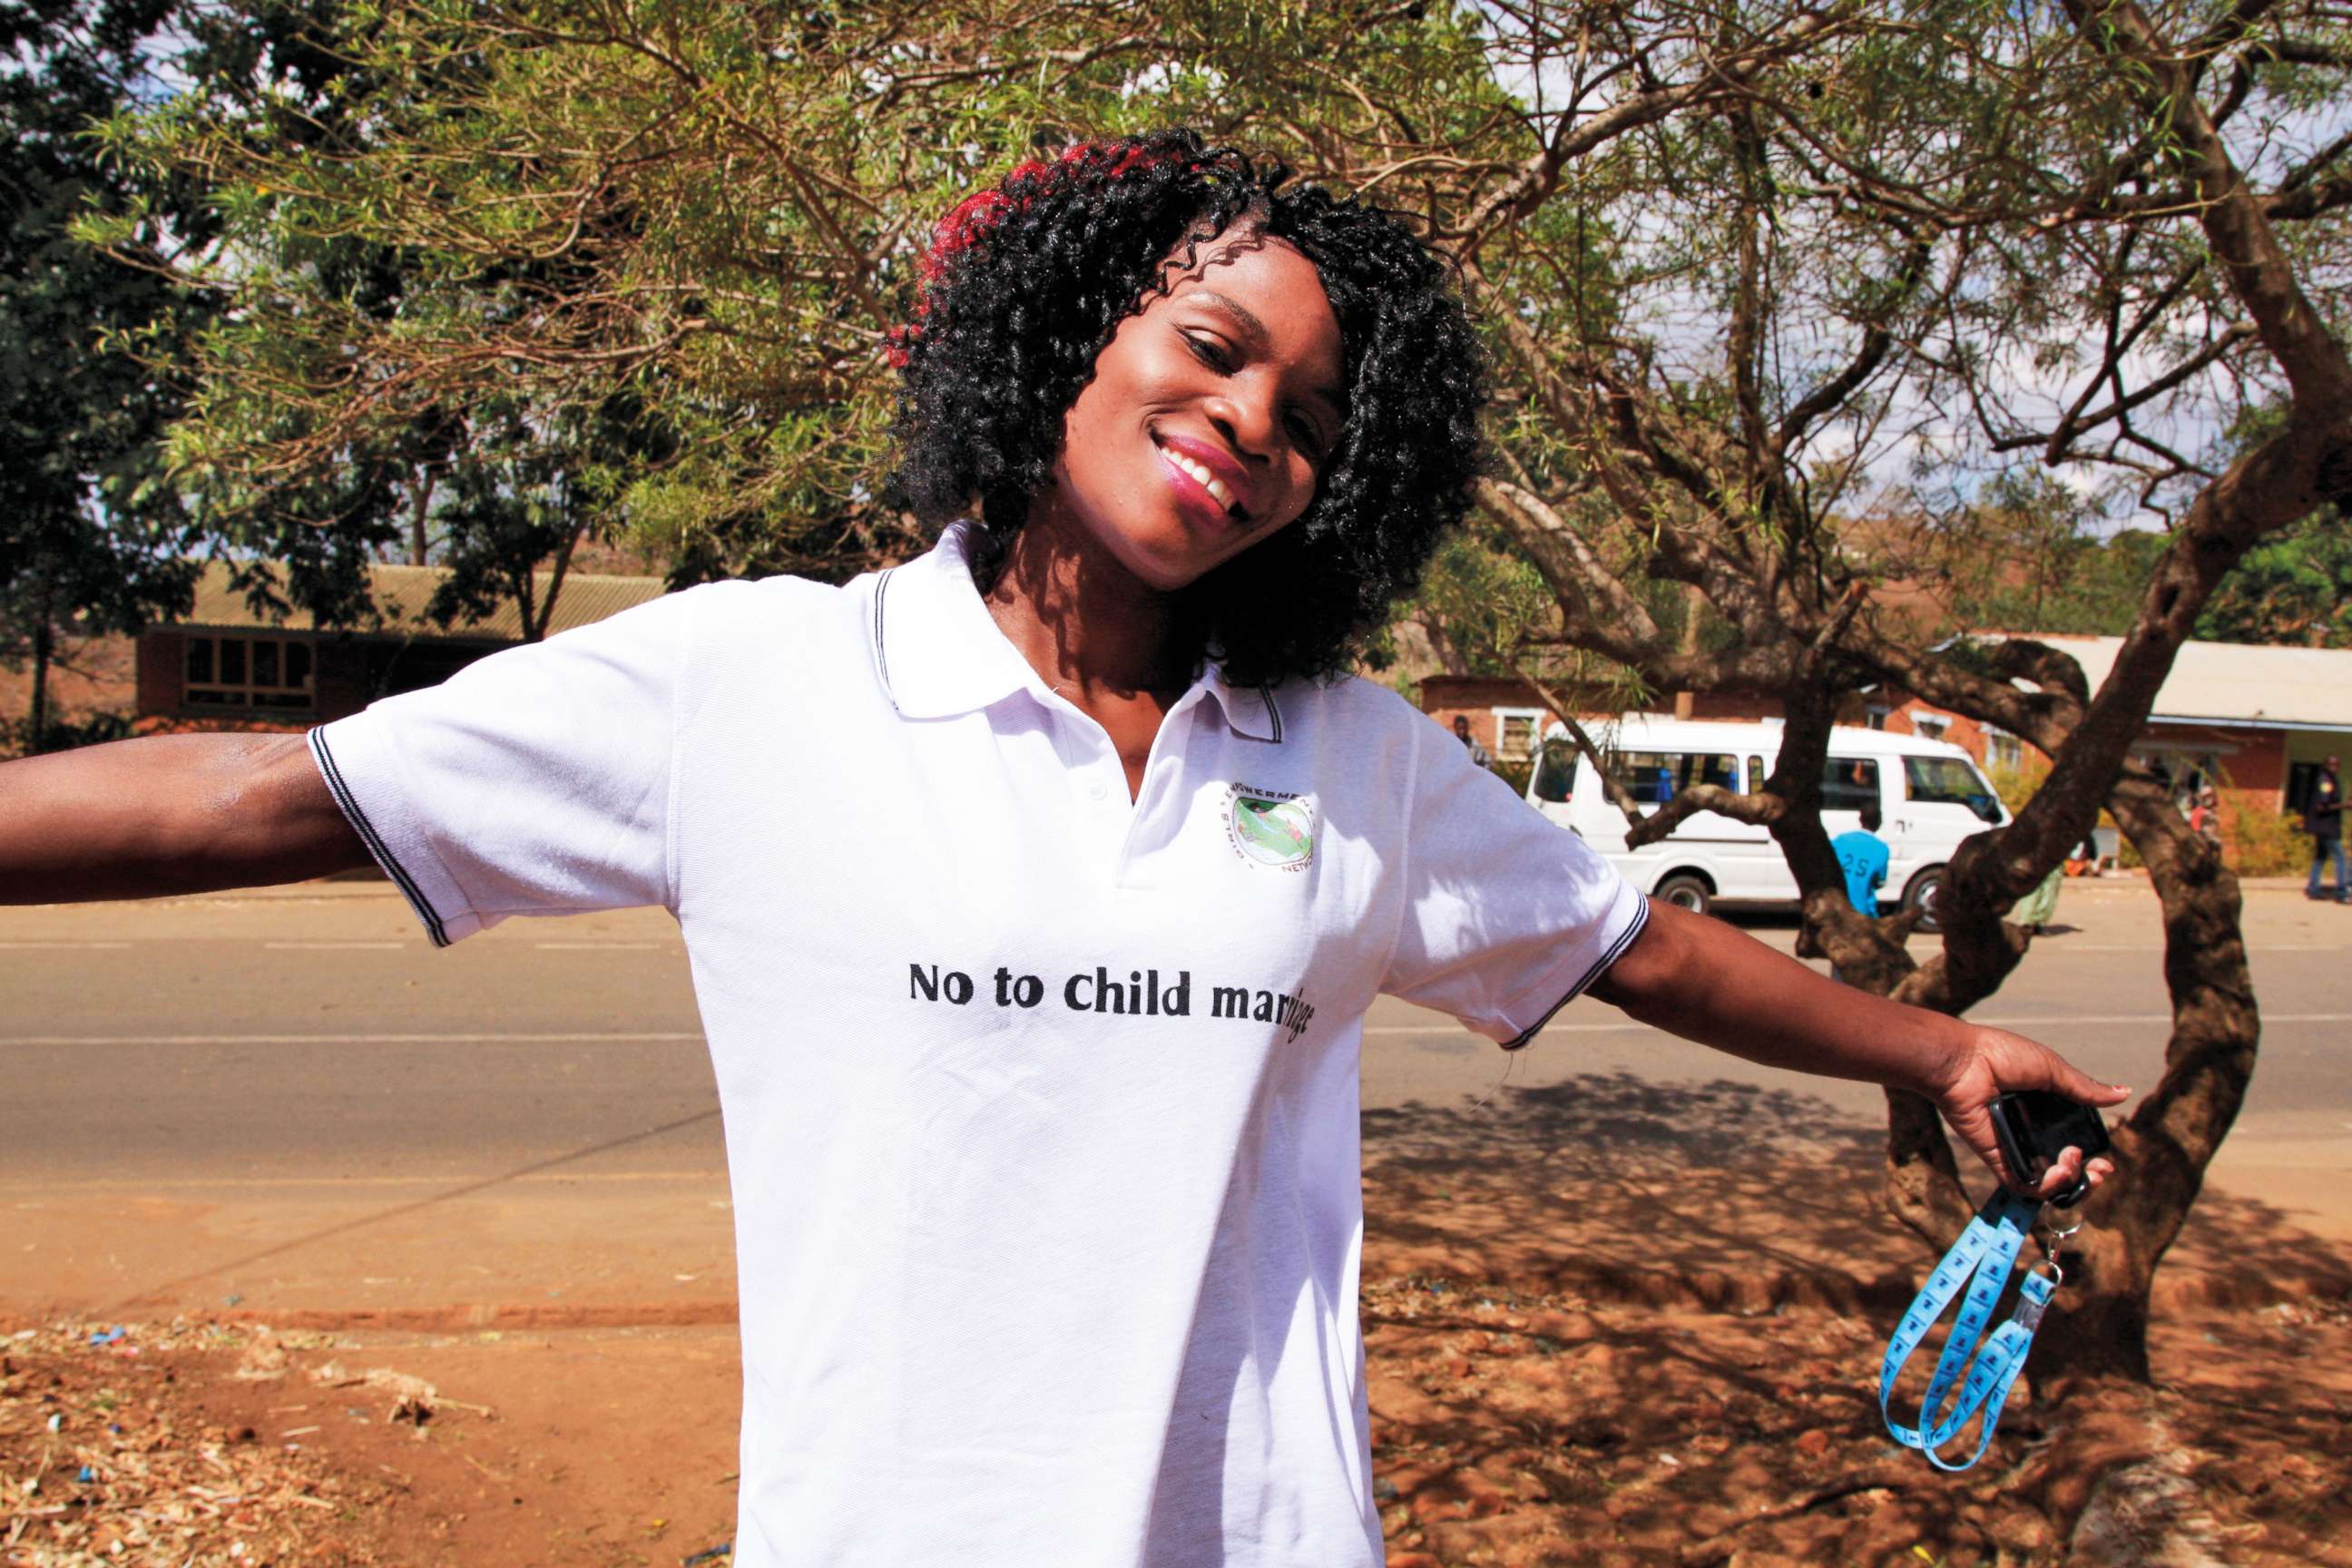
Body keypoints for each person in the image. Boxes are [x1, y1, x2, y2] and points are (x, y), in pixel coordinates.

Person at [0, 131, 2121, 1567]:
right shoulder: (761, 684)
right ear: (1069, 328)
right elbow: (255, 786)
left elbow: (1631, 948)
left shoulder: (1350, 756)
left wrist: (1930, 1056)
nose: (1248, 427)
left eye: (1307, 417)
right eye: (1212, 347)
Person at [1831, 801, 1891, 920]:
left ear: (1860, 819)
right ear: (1879, 822)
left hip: (1836, 907)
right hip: (1863, 911)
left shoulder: (1840, 840)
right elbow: (1879, 882)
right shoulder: (1881, 849)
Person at [2308, 754, 2346, 902]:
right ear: (2325, 765)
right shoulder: (2325, 781)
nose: (2334, 767)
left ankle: (2313, 889)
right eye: (2331, 764)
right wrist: (2345, 805)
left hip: (2325, 826)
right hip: (2325, 826)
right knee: (2340, 858)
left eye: (2336, 765)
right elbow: (2321, 806)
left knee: (2320, 857)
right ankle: (2341, 893)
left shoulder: (2332, 780)